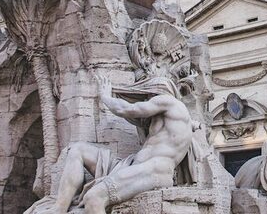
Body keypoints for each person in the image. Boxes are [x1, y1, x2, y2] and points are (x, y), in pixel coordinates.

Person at [27, 72, 195, 214]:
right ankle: (59, 208)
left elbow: (128, 110)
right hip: (131, 165)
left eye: (148, 95)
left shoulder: (168, 101)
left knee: (94, 197)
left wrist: (106, 96)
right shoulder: (170, 119)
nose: (148, 100)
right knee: (78, 150)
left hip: (154, 171)